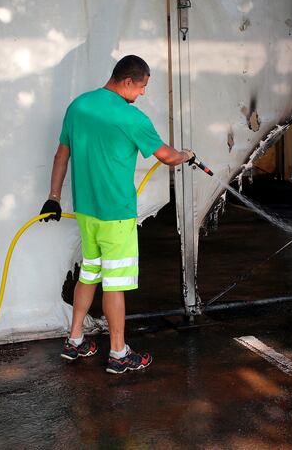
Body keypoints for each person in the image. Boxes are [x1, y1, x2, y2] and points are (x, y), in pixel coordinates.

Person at [39, 55, 194, 374]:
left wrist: (53, 198)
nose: (143, 94)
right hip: (116, 216)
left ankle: (76, 339)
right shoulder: (132, 118)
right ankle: (119, 353)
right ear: (127, 82)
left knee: (90, 273)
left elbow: (61, 154)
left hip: (87, 212)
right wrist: (187, 154)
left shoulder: (78, 106)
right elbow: (167, 157)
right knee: (115, 284)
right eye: (142, 87)